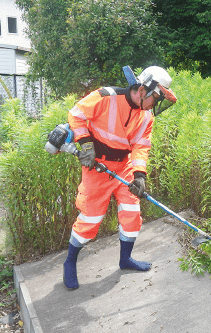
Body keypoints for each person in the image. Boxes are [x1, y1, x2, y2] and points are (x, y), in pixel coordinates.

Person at [63, 66, 177, 290]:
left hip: (124, 167)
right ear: (144, 90)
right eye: (155, 98)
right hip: (97, 168)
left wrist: (140, 175)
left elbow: (141, 147)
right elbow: (76, 115)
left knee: (132, 214)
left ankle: (125, 260)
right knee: (91, 219)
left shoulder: (146, 117)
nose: (155, 105)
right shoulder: (106, 96)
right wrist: (85, 145)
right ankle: (69, 263)